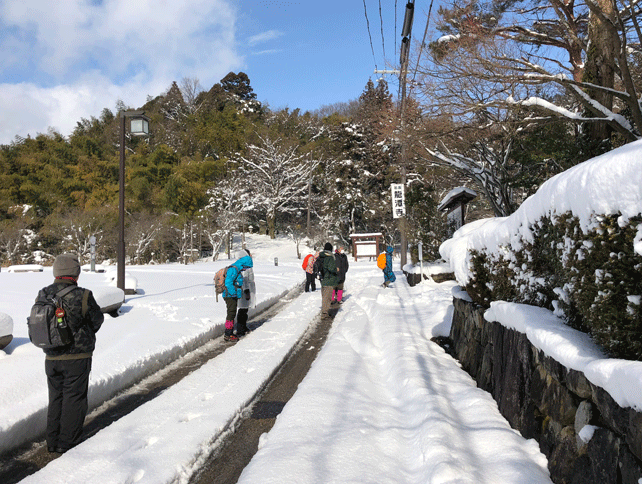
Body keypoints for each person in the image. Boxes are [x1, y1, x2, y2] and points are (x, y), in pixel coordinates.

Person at [38, 253, 104, 454]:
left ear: (56, 272)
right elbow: (97, 320)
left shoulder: (43, 294)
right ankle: (68, 443)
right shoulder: (83, 295)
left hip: (51, 356)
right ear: (76, 273)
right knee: (74, 399)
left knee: (56, 397)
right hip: (77, 356)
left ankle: (53, 441)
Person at [221, 251, 254, 342]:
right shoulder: (233, 269)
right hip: (229, 296)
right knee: (231, 315)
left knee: (232, 314)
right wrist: (234, 294)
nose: (245, 269)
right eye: (246, 267)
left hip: (231, 295)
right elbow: (228, 283)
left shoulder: (237, 269)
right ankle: (228, 334)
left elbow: (237, 283)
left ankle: (229, 333)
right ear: (243, 264)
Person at [235, 249, 255, 337]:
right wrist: (246, 290)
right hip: (243, 290)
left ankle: (243, 326)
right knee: (242, 310)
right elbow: (244, 278)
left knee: (245, 309)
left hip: (245, 289)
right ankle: (240, 329)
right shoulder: (243, 265)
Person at [316, 242, 339, 318]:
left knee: (324, 296)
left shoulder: (321, 256)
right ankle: (324, 314)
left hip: (323, 279)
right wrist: (336, 269)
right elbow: (331, 268)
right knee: (327, 297)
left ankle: (325, 312)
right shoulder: (329, 257)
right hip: (329, 279)